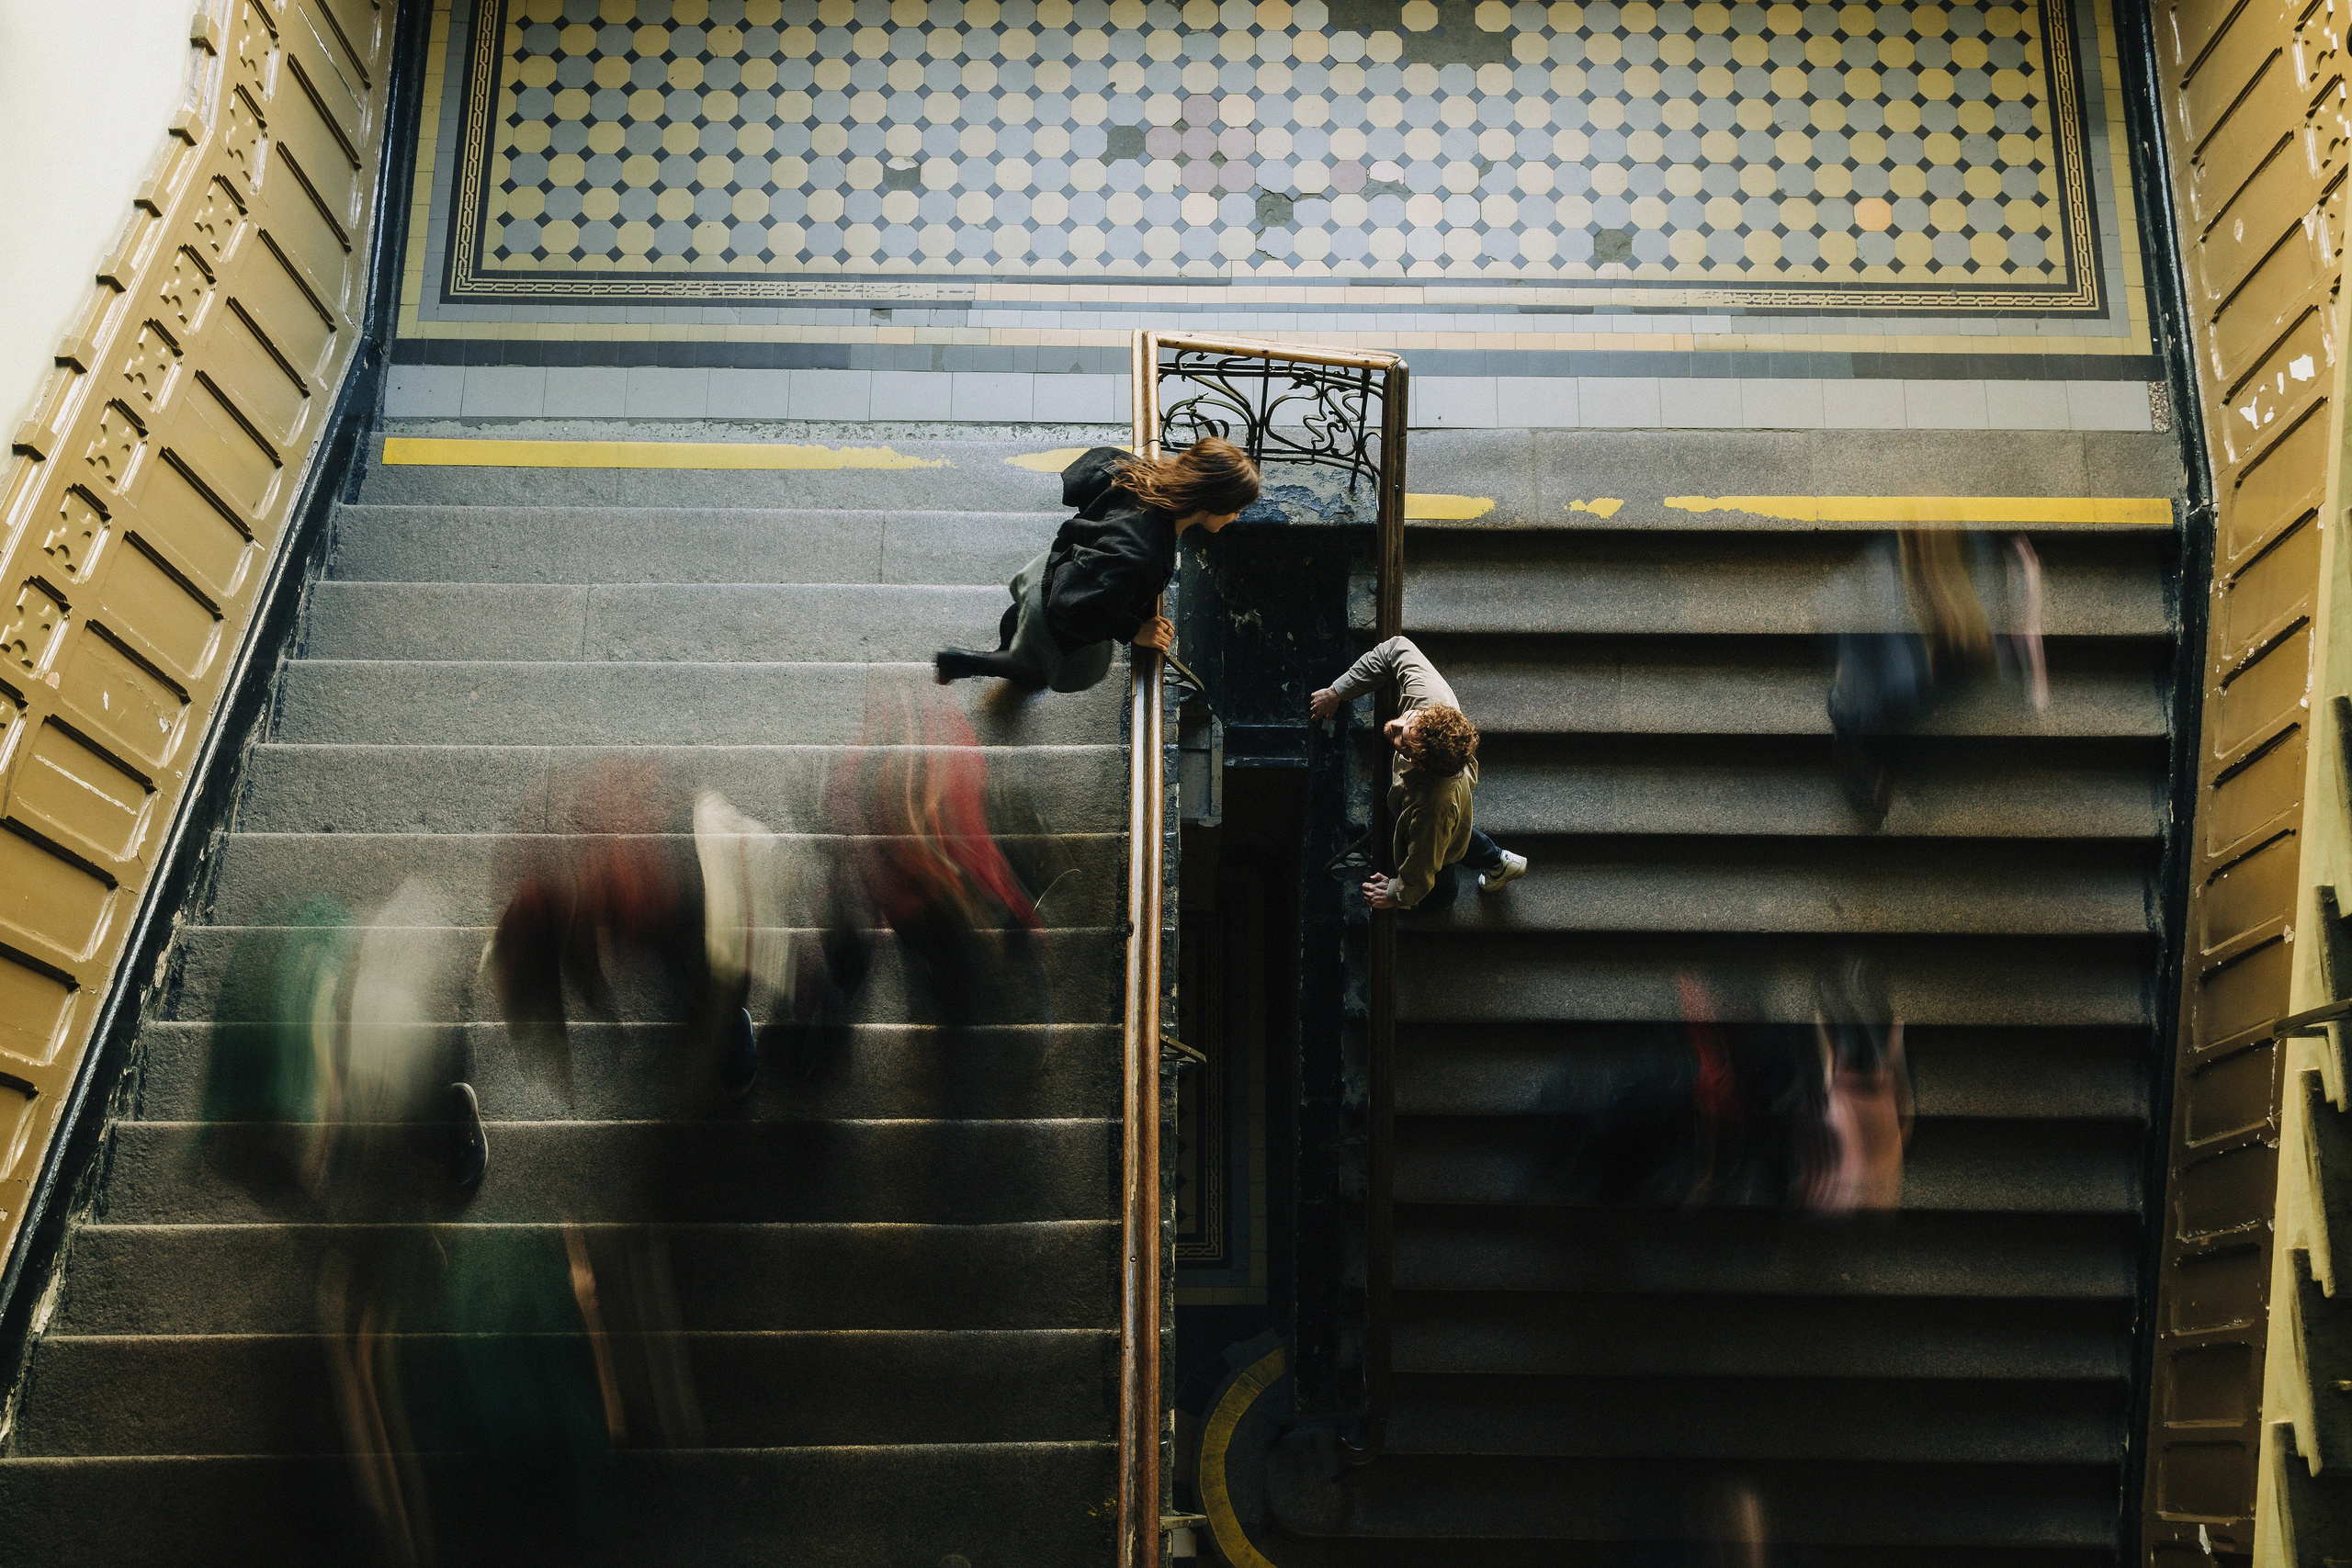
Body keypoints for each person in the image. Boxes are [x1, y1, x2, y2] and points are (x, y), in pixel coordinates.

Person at [934, 438, 1262, 691]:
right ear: (1208, 505)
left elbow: (1087, 470)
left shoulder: (1138, 472)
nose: (1237, 516)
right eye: (1236, 508)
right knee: (1033, 670)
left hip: (1051, 568)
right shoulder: (1142, 554)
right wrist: (1134, 629)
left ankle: (1010, 643)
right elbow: (1072, 606)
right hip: (1061, 605)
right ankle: (960, 663)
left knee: (1022, 617)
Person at [1309, 636, 1526, 908]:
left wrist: (1395, 893)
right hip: (1449, 806)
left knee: (1441, 870)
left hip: (1439, 812)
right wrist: (1337, 691)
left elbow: (1421, 867)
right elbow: (1395, 648)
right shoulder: (1429, 697)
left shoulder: (1430, 807)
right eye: (1410, 720)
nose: (1395, 726)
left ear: (1419, 764)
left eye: (1404, 742)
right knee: (1454, 833)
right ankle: (1499, 862)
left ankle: (1445, 898)